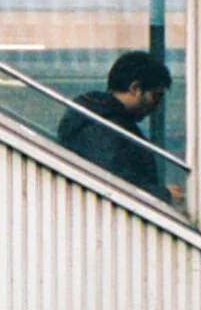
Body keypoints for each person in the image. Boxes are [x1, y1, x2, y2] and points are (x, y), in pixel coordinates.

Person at [57, 51, 178, 200]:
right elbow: (118, 183)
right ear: (135, 88)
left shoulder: (94, 118)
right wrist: (163, 194)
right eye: (155, 96)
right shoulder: (107, 129)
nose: (156, 106)